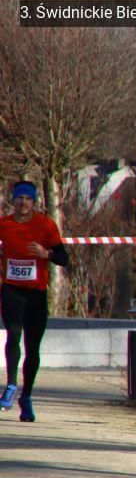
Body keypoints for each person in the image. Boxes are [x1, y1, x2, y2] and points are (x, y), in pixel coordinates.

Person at [0, 181, 70, 422]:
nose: (23, 203)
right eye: (19, 198)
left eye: (28, 199)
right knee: (13, 334)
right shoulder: (4, 224)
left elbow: (63, 257)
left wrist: (46, 253)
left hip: (36, 294)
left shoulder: (45, 225)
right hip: (12, 291)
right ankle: (11, 385)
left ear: (34, 202)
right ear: (13, 200)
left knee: (33, 348)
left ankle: (27, 396)